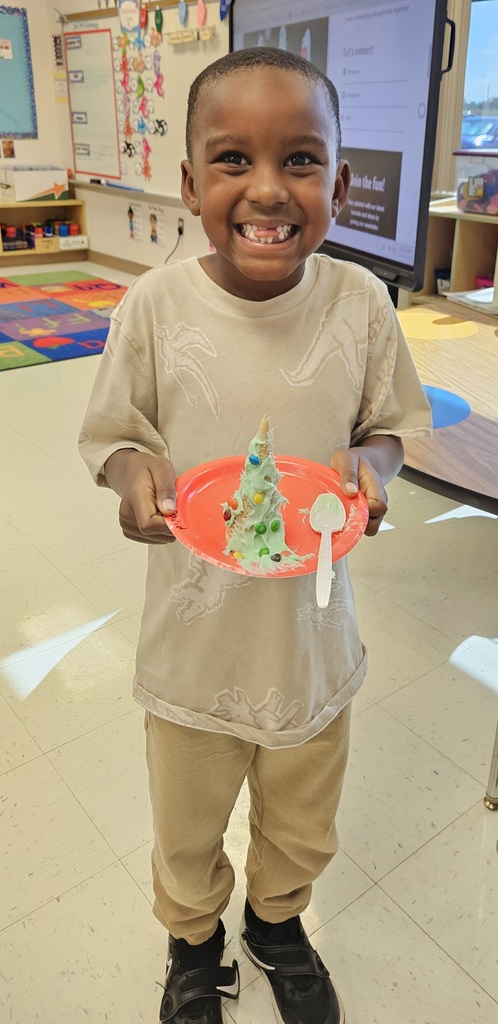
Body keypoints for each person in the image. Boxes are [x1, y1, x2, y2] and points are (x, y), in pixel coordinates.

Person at [79, 47, 431, 1024]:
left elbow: (392, 427)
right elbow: (114, 438)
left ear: (341, 181)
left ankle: (277, 923)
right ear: (190, 182)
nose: (267, 189)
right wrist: (133, 480)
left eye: (302, 159)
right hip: (194, 646)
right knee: (185, 824)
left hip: (312, 640)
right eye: (232, 159)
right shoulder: (153, 309)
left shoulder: (361, 306)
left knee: (304, 817)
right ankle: (194, 941)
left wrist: (375, 469)